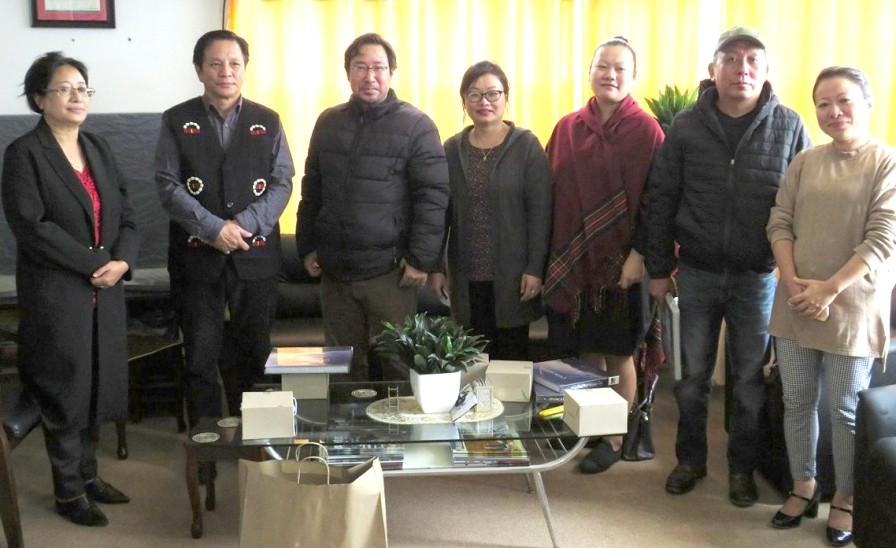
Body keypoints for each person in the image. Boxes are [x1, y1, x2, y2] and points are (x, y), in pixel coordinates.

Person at [645, 26, 811, 506]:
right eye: (731, 59)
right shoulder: (685, 126)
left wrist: (793, 271)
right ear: (712, 69)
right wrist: (659, 268)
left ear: (765, 71)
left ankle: (742, 469)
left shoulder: (790, 125)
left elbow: (802, 205)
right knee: (692, 378)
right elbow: (662, 199)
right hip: (694, 274)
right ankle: (690, 461)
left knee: (747, 382)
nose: (742, 69)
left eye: (752, 61)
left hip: (757, 278)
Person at [1, 52, 137, 526]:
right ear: (39, 98)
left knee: (98, 385)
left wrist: (123, 261)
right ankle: (67, 492)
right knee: (64, 389)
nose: (78, 95)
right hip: (58, 294)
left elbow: (127, 214)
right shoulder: (24, 154)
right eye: (65, 88)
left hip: (107, 290)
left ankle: (88, 475)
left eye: (83, 87)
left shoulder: (98, 146)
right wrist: (97, 263)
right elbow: (32, 226)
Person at [767, 66, 896, 547]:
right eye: (823, 103)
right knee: (797, 400)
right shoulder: (805, 161)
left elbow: (883, 238)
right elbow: (779, 221)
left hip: (852, 307)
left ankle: (846, 496)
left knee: (843, 409)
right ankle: (804, 484)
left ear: (867, 103)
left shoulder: (885, 161)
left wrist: (828, 290)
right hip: (796, 301)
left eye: (843, 101)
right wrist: (793, 280)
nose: (833, 112)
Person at [155, 30, 295, 423]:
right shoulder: (176, 120)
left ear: (245, 69)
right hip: (196, 259)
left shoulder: (267, 120)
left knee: (254, 353)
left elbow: (283, 180)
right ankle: (205, 449)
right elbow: (167, 185)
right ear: (199, 70)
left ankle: (256, 443)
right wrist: (213, 228)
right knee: (199, 357)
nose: (226, 72)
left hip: (256, 259)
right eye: (215, 63)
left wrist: (244, 223)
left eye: (234, 63)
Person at [542, 36, 664, 474]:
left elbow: (657, 199)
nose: (610, 75)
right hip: (576, 265)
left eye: (620, 69)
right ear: (590, 72)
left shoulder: (647, 130)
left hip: (624, 265)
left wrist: (639, 255)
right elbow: (552, 194)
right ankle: (590, 425)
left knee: (620, 353)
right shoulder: (568, 127)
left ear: (632, 77)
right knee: (586, 351)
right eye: (602, 67)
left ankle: (615, 434)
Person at [297, 32, 449, 380]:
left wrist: (421, 258)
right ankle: (345, 435)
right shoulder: (328, 121)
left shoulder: (417, 125)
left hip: (390, 272)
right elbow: (312, 189)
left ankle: (397, 435)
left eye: (379, 67)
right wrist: (307, 246)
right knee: (341, 366)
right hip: (336, 270)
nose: (370, 76)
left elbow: (434, 196)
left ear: (392, 72)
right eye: (360, 67)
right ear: (347, 72)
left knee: (395, 363)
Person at [427, 61, 551, 360]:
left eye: (493, 94)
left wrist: (535, 268)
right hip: (467, 275)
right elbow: (439, 213)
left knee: (511, 362)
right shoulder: (452, 149)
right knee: (472, 361)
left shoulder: (527, 147)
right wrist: (435, 267)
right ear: (464, 101)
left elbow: (541, 213)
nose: (484, 102)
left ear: (506, 98)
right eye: (475, 95)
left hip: (513, 275)